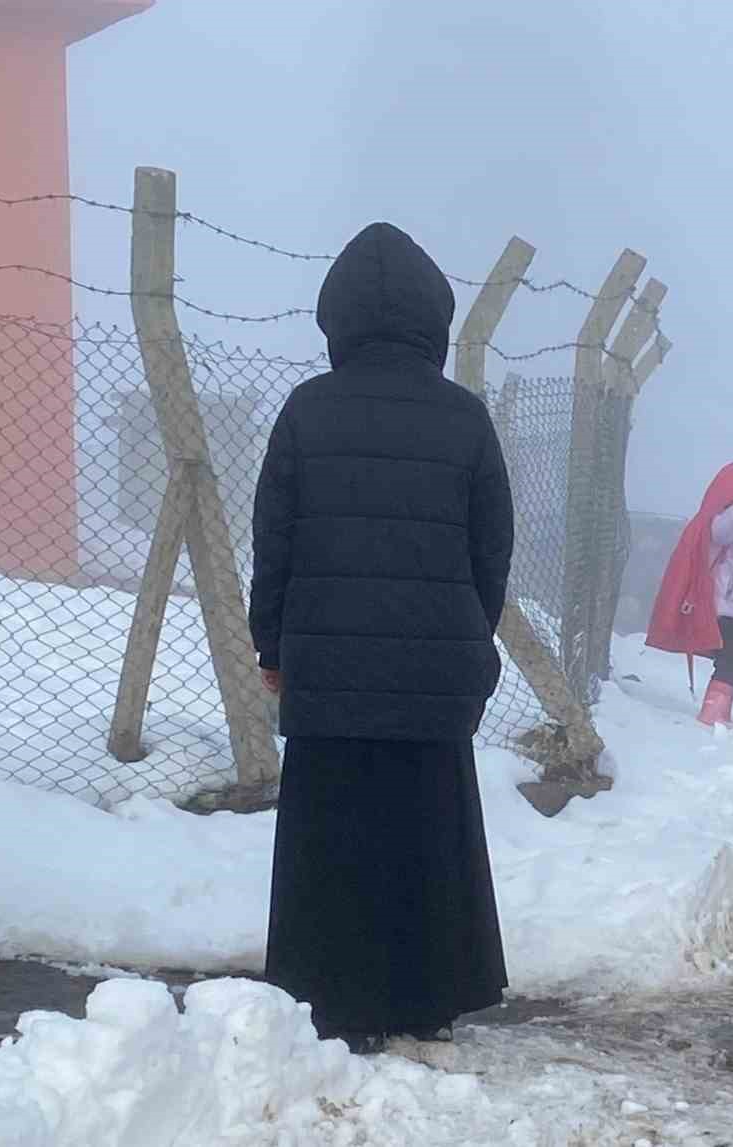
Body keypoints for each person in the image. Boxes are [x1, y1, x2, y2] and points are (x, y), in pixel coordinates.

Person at [249, 222, 515, 1053]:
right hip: (435, 672)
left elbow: (275, 540)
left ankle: (327, 993)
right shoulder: (464, 417)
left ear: (337, 319)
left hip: (326, 670)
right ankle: (430, 991)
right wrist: (467, 632)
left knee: (330, 830)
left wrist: (273, 647)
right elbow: (490, 548)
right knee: (429, 829)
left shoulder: (306, 410)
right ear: (435, 318)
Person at [646, 463, 733, 727]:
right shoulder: (720, 517)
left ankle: (716, 715)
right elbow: (720, 533)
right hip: (719, 606)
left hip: (728, 606)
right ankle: (711, 718)